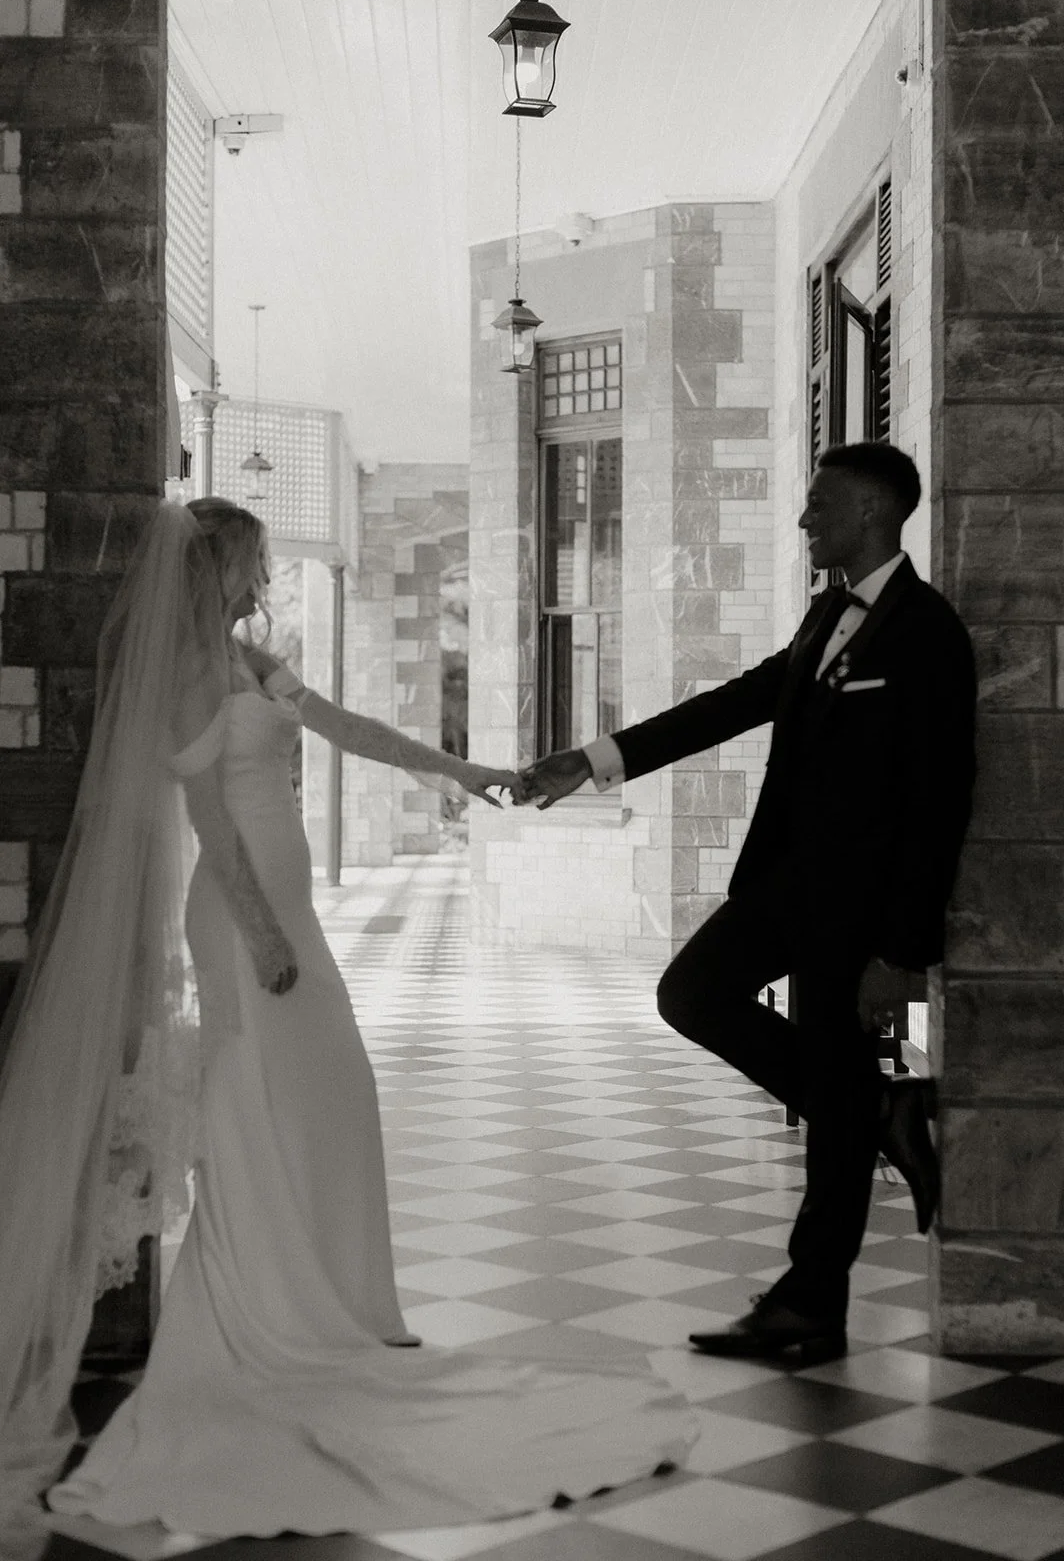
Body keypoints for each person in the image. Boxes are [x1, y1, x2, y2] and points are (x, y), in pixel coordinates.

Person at [0, 498, 694, 1551]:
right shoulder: (186, 672)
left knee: (333, 1094)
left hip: (290, 915)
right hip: (247, 922)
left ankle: (342, 1303)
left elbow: (347, 730)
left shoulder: (250, 659)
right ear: (219, 565)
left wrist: (460, 770)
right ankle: (269, 1313)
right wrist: (261, 938)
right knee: (258, 1104)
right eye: (254, 559)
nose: (264, 574)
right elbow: (210, 825)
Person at [518, 443, 977, 1363]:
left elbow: (940, 803)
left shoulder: (928, 632)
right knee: (690, 994)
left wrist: (900, 955)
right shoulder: (826, 615)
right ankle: (876, 1114)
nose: (805, 520)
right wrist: (594, 761)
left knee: (831, 1085)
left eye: (820, 504)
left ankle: (812, 1301)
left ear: (873, 511)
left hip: (861, 913)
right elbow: (731, 705)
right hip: (789, 886)